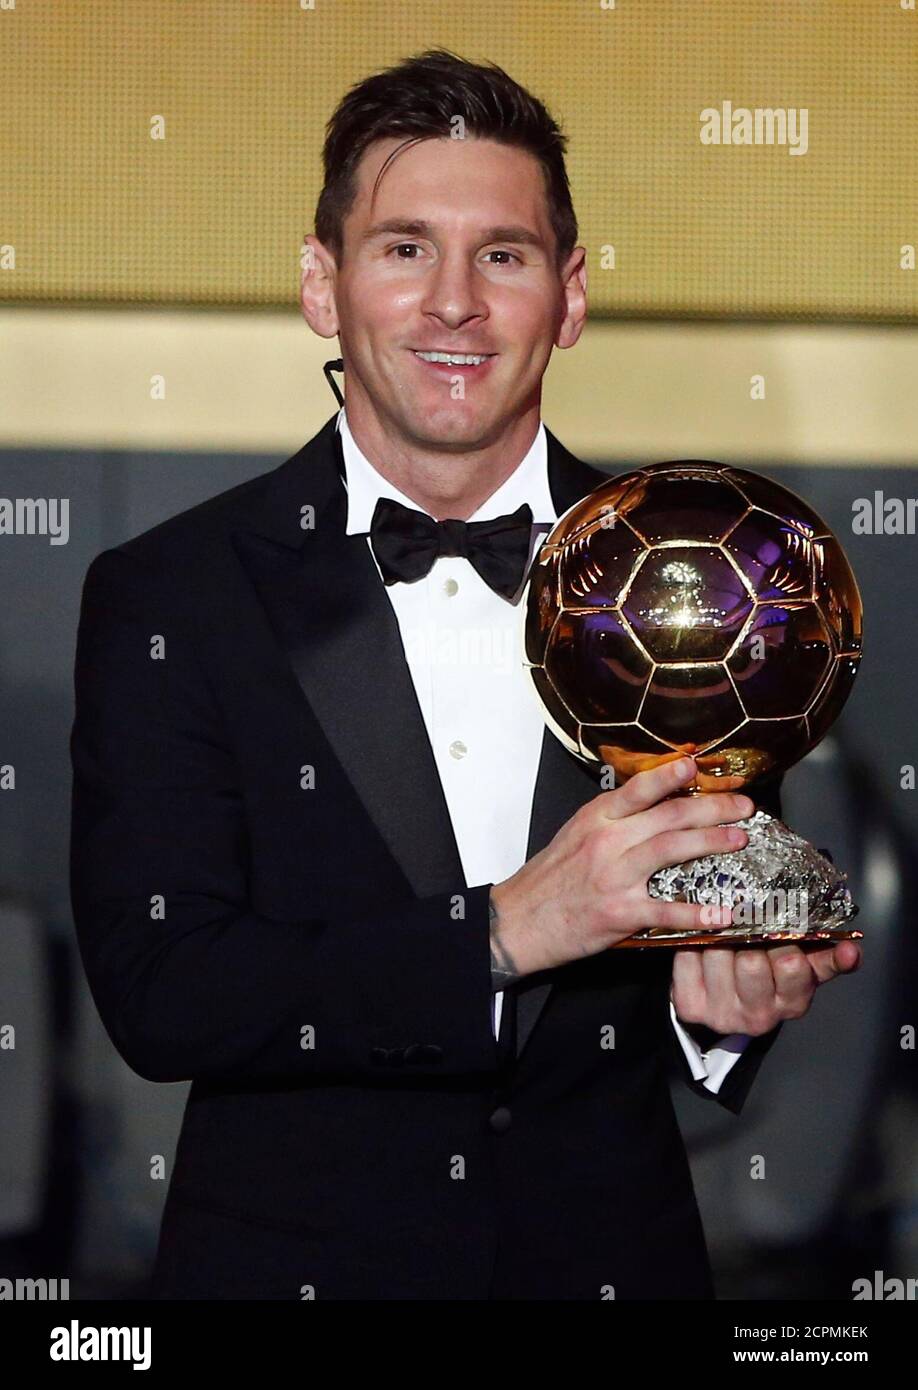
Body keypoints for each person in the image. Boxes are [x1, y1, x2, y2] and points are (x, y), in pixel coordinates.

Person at [69, 49, 861, 1300]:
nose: (454, 302)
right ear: (322, 286)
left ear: (572, 294)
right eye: (401, 250)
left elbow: (715, 944)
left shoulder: (703, 561)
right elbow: (167, 991)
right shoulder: (171, 592)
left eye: (503, 254)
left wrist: (722, 1005)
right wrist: (499, 934)